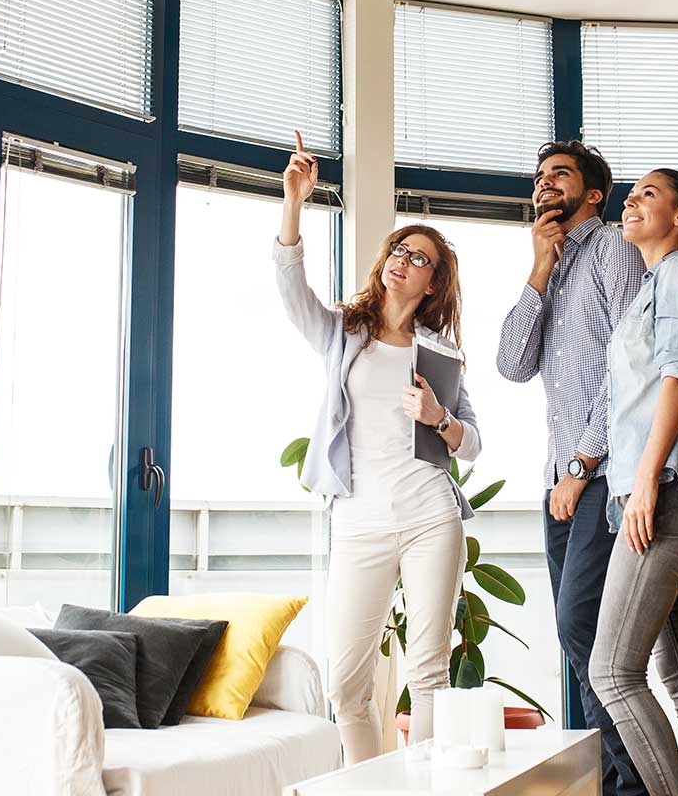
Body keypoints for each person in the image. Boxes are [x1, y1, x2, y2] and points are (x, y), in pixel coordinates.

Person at [275, 131, 481, 764]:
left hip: (429, 517)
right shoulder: (344, 331)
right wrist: (294, 202)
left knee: (428, 672)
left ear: (433, 282)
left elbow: (472, 443)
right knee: (345, 684)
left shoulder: (440, 351)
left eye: (418, 257)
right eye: (398, 249)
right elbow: (292, 292)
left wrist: (440, 418)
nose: (401, 259)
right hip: (358, 521)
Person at [497, 141, 647, 796]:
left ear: (593, 193)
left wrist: (583, 464)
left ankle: (636, 785)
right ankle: (623, 781)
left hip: (601, 476)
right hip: (560, 481)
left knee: (585, 627)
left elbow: (632, 365)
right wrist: (538, 267)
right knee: (585, 636)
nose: (543, 184)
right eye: (539, 177)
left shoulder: (613, 247)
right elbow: (511, 364)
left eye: (559, 174)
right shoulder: (551, 265)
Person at [589, 168, 678, 796]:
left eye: (648, 194)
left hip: (668, 491)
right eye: (632, 194)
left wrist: (646, 480)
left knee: (613, 672)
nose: (631, 201)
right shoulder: (662, 282)